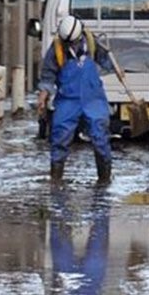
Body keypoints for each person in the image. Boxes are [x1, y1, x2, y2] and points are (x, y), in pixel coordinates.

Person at [37, 15, 114, 184]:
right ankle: (56, 178)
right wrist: (43, 97)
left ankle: (104, 179)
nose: (70, 45)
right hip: (67, 99)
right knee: (60, 136)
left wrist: (119, 68)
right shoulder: (56, 49)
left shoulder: (94, 44)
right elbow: (48, 75)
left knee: (100, 135)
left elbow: (108, 62)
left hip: (93, 99)